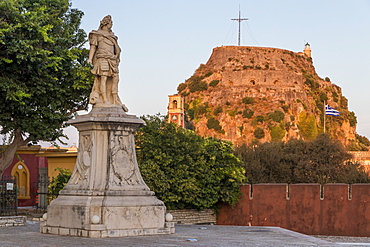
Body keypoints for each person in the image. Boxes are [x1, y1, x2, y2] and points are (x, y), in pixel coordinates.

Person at [87, 15, 128, 111]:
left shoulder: (112, 37)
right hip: (102, 58)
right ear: (106, 23)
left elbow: (117, 50)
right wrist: (90, 58)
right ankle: (104, 100)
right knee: (103, 79)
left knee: (115, 79)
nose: (111, 25)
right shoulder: (97, 34)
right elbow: (93, 47)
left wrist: (117, 56)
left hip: (112, 60)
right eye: (110, 23)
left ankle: (115, 99)